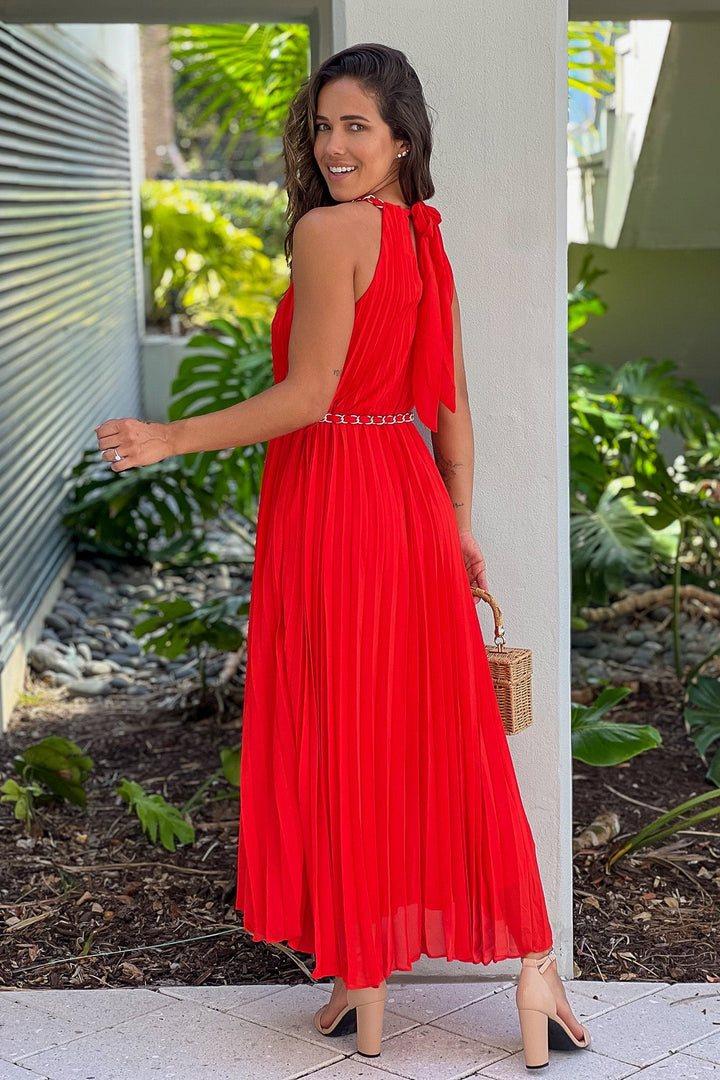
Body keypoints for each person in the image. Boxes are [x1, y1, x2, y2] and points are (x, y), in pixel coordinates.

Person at [94, 41, 590, 1072]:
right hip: (407, 497)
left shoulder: (332, 232)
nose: (332, 145)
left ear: (402, 137)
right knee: (439, 736)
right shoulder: (422, 236)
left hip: (335, 499)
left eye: (356, 125)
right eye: (322, 126)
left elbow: (310, 396)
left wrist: (168, 436)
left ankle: (364, 980)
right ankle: (531, 967)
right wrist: (457, 523)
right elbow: (449, 404)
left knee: (345, 729)